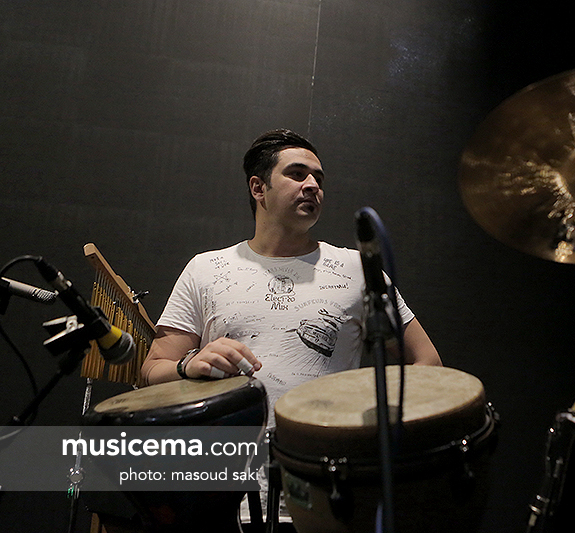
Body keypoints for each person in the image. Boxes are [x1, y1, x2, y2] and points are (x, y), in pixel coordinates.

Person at [140, 128, 441, 528]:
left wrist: (366, 424)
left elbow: (428, 363)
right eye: (297, 174)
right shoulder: (206, 269)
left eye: (318, 178)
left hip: (326, 497)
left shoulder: (357, 270)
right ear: (258, 188)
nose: (313, 185)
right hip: (221, 499)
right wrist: (187, 367)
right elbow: (151, 370)